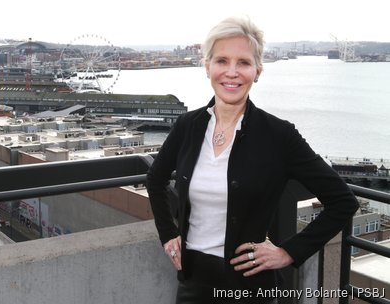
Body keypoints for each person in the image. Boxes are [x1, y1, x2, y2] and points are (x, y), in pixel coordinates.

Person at [146, 16, 359, 304]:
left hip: (250, 289)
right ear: (207, 66)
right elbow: (155, 179)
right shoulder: (188, 126)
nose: (231, 72)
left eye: (243, 63)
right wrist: (168, 233)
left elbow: (343, 201)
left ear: (257, 71)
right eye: (222, 61)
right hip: (192, 280)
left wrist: (288, 252)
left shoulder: (278, 135)